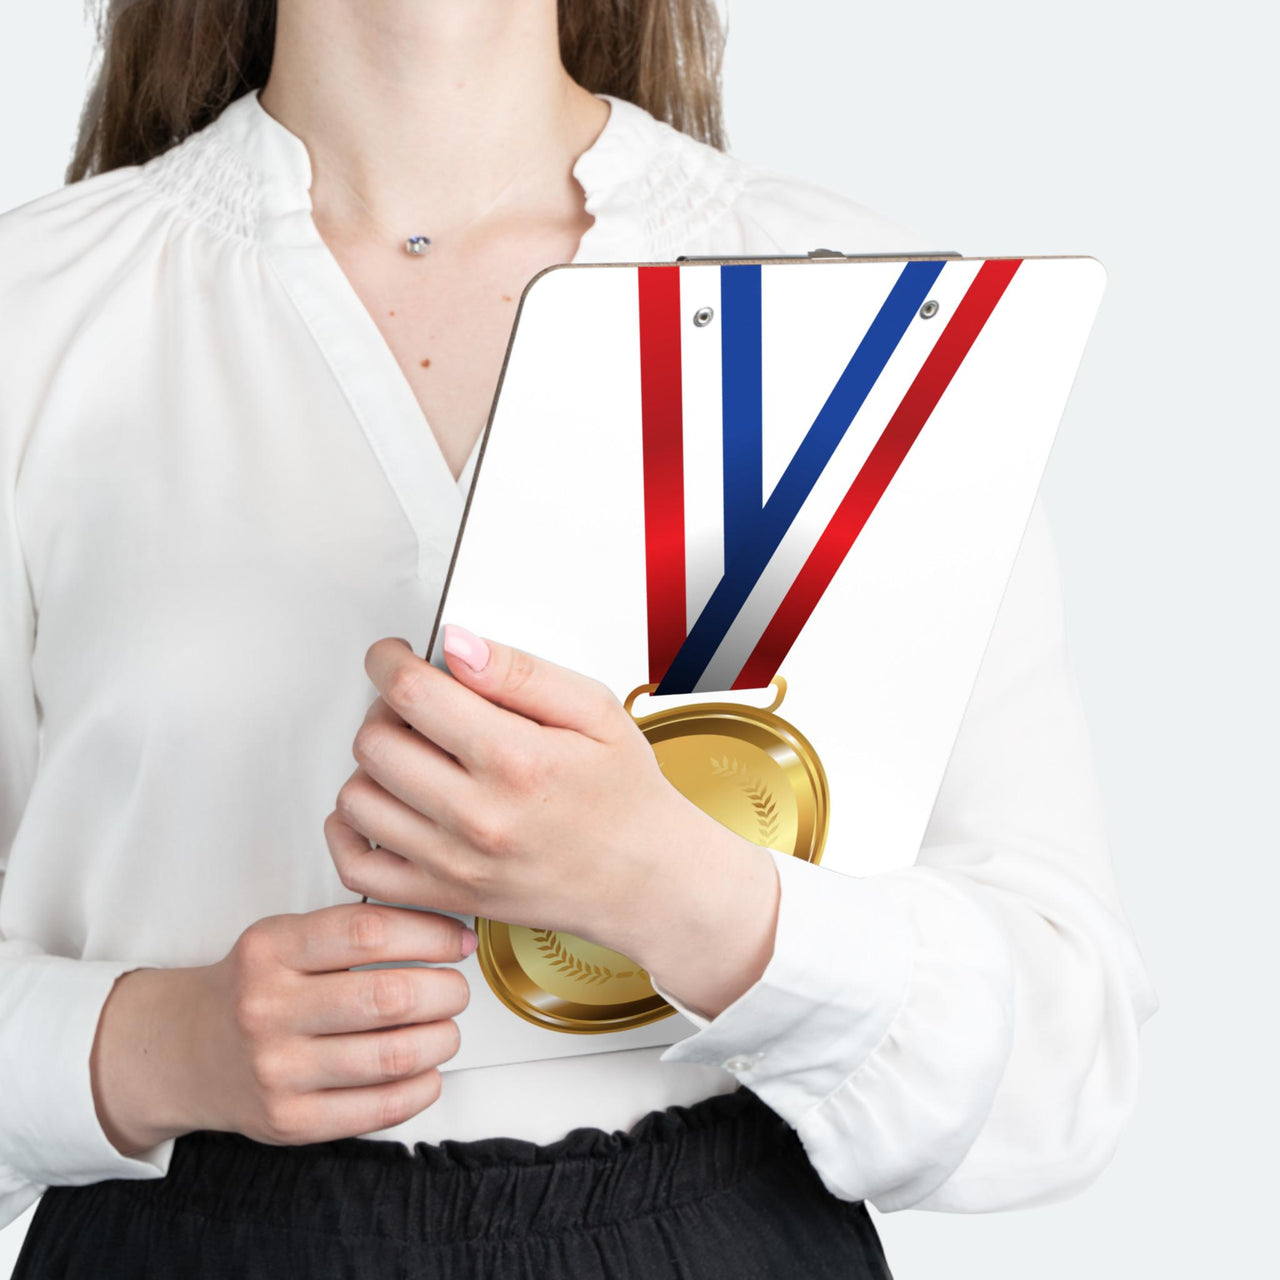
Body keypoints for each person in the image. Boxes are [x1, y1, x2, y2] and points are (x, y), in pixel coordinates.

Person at [0, 0, 1159, 1275]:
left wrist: (693, 901)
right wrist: (144, 1044)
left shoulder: (881, 332)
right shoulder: (36, 316)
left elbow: (1062, 1063)